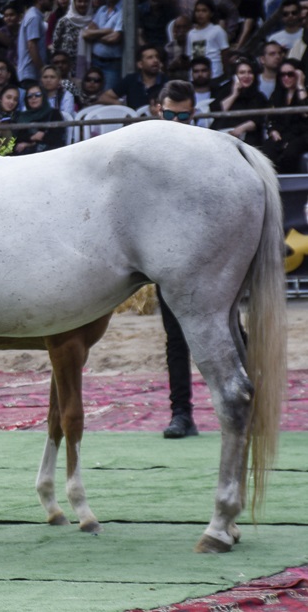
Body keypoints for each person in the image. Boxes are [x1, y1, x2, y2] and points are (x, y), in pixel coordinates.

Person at [153, 80, 199, 438]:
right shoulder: (148, 153)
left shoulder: (207, 152)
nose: (177, 121)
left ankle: (251, 399)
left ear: (193, 114)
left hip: (207, 254)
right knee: (176, 337)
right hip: (165, 256)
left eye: (183, 116)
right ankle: (181, 412)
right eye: (170, 114)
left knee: (233, 331)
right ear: (159, 110)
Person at [211, 57, 266, 148]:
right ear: (235, 76)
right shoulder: (224, 91)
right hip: (222, 135)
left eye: (250, 72)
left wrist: (239, 130)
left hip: (247, 137)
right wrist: (234, 94)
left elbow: (257, 121)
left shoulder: (259, 97)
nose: (246, 76)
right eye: (242, 72)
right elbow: (217, 111)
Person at [265, 59, 308, 173]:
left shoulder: (304, 91)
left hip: (302, 134)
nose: (286, 78)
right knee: (268, 149)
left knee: (291, 152)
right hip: (282, 133)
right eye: (283, 75)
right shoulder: (277, 94)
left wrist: (300, 85)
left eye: (291, 74)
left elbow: (306, 112)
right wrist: (272, 130)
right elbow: (270, 118)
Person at [99, 45, 168, 111]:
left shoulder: (167, 82)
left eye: (157, 57)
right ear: (140, 64)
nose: (155, 60)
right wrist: (122, 106)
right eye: (150, 57)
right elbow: (104, 97)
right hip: (134, 121)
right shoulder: (131, 80)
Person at [12, 84, 63, 154]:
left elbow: (57, 137)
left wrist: (42, 137)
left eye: (37, 95)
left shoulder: (54, 114)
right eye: (29, 96)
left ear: (43, 97)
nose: (33, 98)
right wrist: (32, 138)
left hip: (50, 154)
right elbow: (17, 138)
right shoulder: (22, 117)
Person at [186, 0, 229, 81]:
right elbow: (190, 56)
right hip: (196, 77)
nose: (200, 14)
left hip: (215, 74)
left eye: (204, 11)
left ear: (211, 14)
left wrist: (225, 73)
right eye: (197, 11)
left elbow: (225, 54)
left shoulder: (217, 30)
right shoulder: (191, 34)